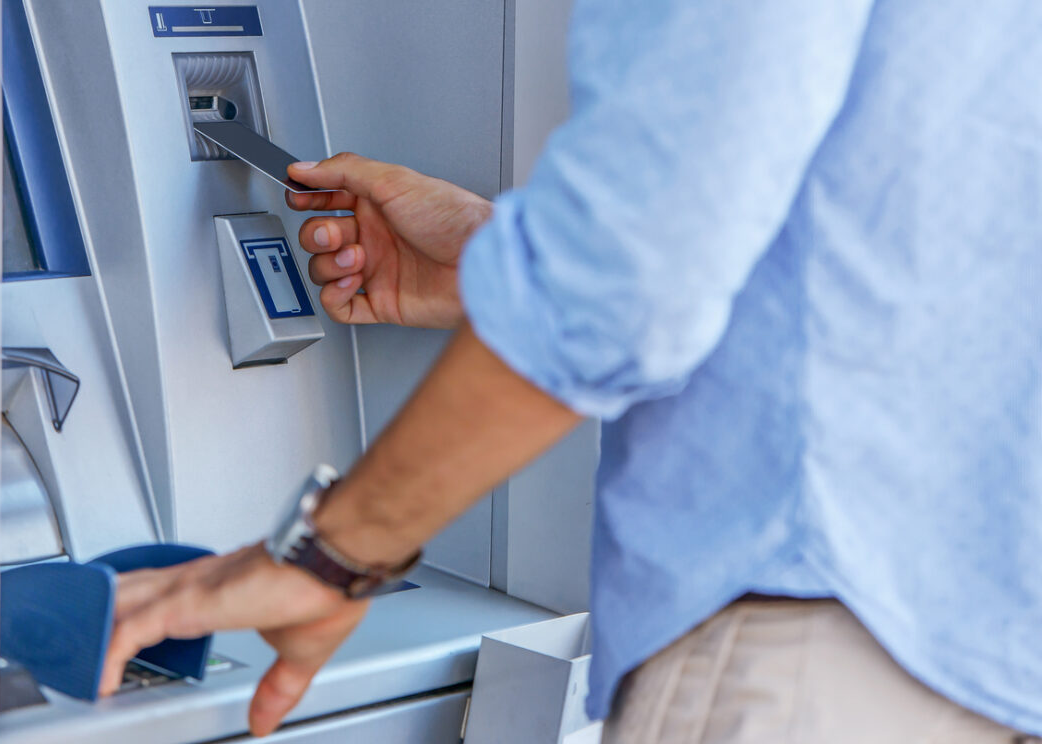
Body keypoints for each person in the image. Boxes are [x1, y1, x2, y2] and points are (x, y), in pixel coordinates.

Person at [99, 1, 1042, 740]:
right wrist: (498, 262)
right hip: (983, 642)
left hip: (813, 644)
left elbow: (637, 275)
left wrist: (333, 556)